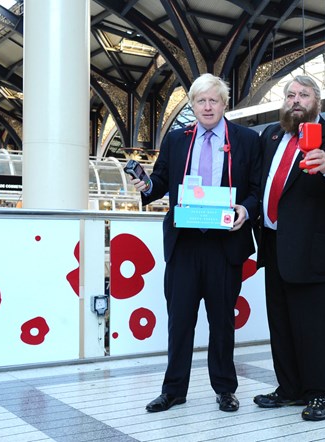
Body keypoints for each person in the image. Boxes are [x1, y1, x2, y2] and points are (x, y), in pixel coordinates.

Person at [130, 73, 261, 413]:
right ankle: (173, 390)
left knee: (222, 323)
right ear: (192, 105)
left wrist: (245, 211)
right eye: (200, 101)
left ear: (224, 103)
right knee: (180, 321)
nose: (207, 106)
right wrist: (146, 186)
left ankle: (225, 389)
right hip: (184, 243)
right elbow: (160, 182)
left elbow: (257, 191)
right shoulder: (176, 140)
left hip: (224, 244)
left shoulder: (246, 140)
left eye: (213, 100)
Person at [253, 75, 325, 421]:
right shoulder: (271, 135)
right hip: (274, 245)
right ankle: (289, 388)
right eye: (290, 95)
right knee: (281, 323)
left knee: (315, 327)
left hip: (314, 250)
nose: (295, 100)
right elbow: (259, 180)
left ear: (317, 101)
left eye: (303, 94)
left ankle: (320, 393)